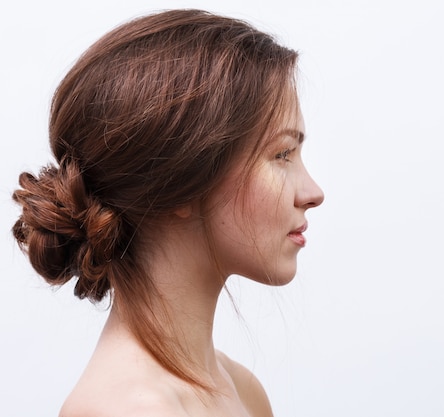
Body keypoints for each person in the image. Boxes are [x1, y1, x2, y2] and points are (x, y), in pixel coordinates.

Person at [12, 9, 324, 417]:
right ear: (180, 184)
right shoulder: (127, 409)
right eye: (282, 154)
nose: (313, 193)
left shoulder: (242, 391)